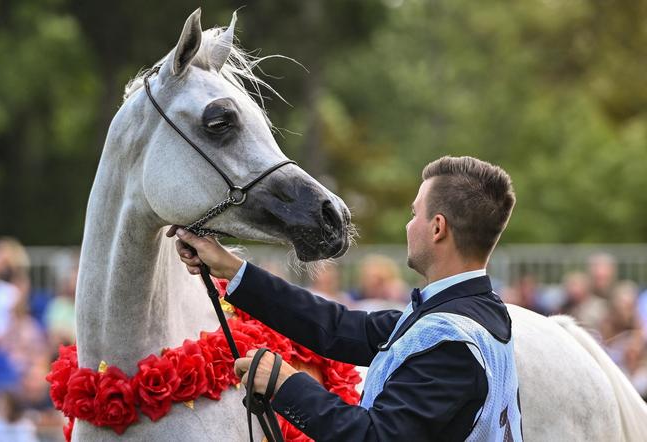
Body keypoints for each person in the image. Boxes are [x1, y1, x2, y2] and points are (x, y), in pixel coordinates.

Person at [171, 156, 522, 441]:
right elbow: (338, 327)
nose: (408, 225)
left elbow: (376, 438)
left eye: (415, 213)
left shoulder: (450, 341)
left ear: (437, 228)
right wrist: (233, 269)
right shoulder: (474, 309)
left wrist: (284, 384)